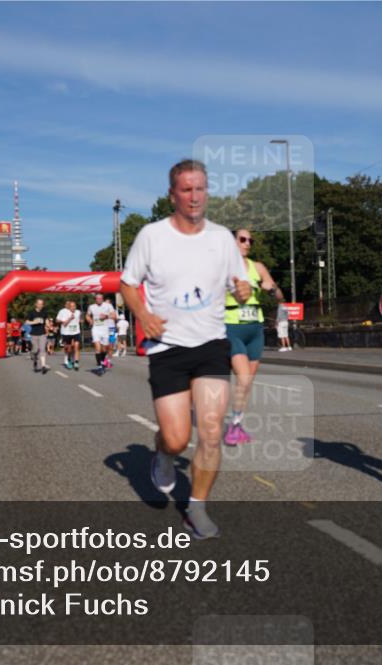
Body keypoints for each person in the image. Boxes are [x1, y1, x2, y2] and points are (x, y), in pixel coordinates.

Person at [120, 158, 251, 539]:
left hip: (211, 344)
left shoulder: (222, 238)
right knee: (177, 438)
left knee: (210, 433)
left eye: (200, 188)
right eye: (187, 189)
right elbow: (128, 283)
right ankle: (163, 453)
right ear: (172, 194)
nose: (194, 197)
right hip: (167, 349)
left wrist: (241, 288)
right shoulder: (152, 236)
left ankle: (196, 508)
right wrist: (143, 315)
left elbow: (237, 283)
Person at [223, 228, 284, 446]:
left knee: (247, 382)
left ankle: (236, 424)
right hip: (231, 327)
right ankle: (231, 427)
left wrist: (270, 288)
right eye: (242, 239)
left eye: (250, 240)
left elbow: (279, 296)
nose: (247, 243)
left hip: (254, 330)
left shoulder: (257, 267)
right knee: (244, 377)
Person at [86, 293, 117, 374]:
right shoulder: (91, 306)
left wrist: (106, 317)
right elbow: (87, 315)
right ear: (95, 299)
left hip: (105, 329)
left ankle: (103, 362)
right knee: (98, 348)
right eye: (97, 298)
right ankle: (100, 366)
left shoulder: (108, 306)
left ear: (102, 299)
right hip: (95, 329)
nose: (99, 300)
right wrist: (89, 320)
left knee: (105, 349)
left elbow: (114, 316)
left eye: (100, 298)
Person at [25, 299, 51, 374]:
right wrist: (35, 322)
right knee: (35, 350)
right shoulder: (31, 313)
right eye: (39, 304)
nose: (40, 305)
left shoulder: (44, 313)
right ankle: (35, 360)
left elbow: (46, 321)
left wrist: (48, 325)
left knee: (42, 349)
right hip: (34, 334)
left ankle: (43, 366)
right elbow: (27, 322)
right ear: (36, 304)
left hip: (42, 334)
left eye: (42, 304)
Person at [57, 300, 82, 371]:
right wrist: (70, 318)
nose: (73, 308)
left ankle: (76, 362)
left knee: (76, 346)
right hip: (67, 333)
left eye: (74, 306)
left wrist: (82, 320)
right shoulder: (65, 313)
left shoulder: (78, 312)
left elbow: (80, 319)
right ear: (69, 307)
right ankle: (69, 359)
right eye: (71, 306)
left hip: (76, 332)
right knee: (69, 348)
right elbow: (64, 324)